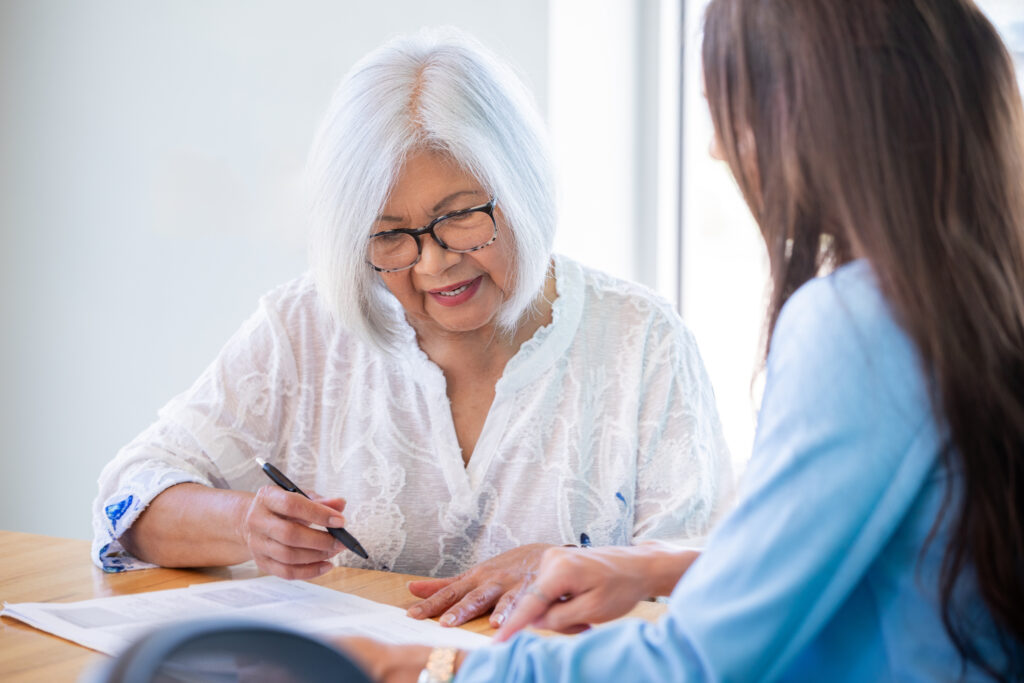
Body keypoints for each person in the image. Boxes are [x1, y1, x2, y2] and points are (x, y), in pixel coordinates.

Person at [337, 0, 1024, 680]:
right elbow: (888, 557)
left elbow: (694, 664)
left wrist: (427, 667)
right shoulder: (976, 291)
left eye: (727, 107)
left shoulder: (857, 326)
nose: (717, 147)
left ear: (808, 116)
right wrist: (656, 565)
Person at [90, 28, 734, 630]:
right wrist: (246, 522)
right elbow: (130, 493)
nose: (434, 262)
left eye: (460, 217)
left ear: (525, 191)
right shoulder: (306, 328)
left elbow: (718, 576)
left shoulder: (640, 339)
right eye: (390, 235)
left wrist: (582, 565)